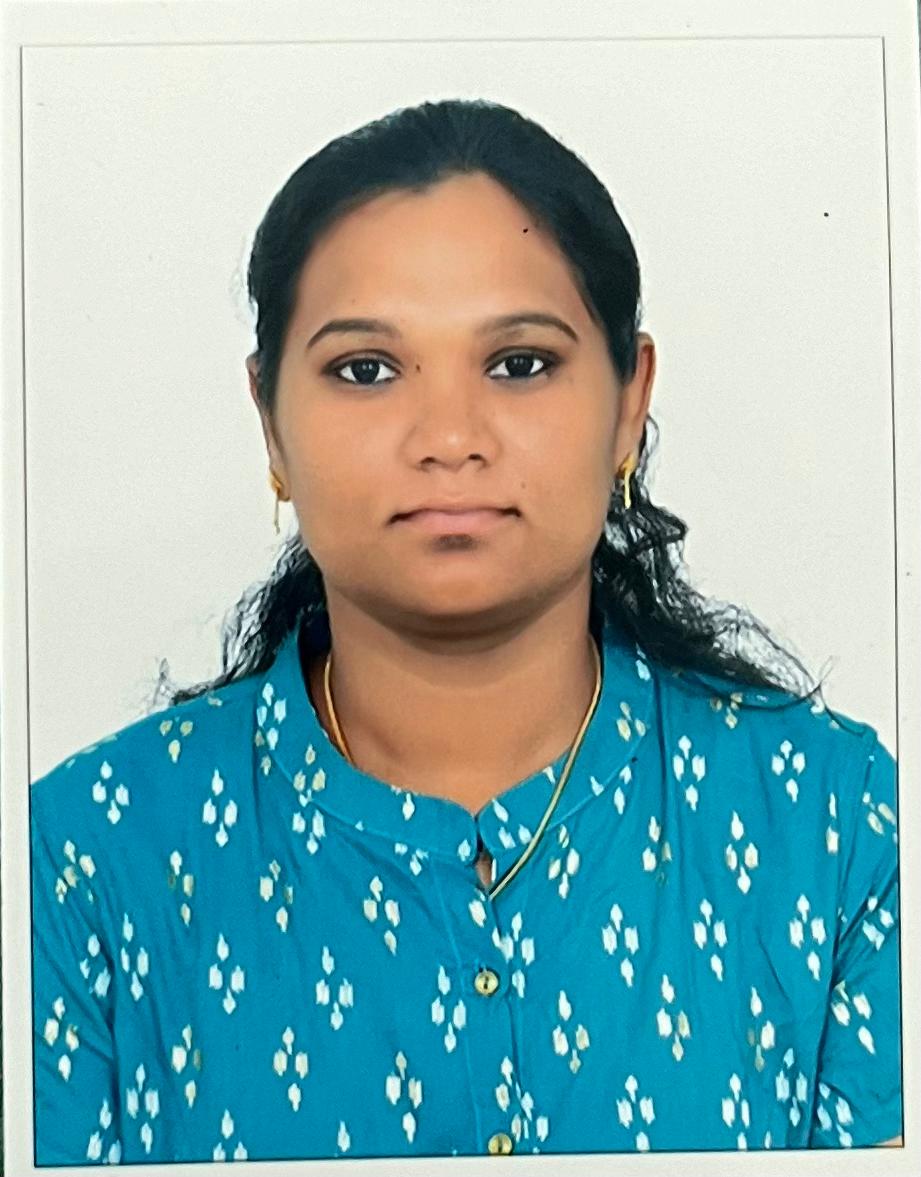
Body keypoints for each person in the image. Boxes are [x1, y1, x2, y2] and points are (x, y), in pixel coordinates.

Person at [30, 98, 902, 1165]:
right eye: (366, 369)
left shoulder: (841, 827)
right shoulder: (77, 859)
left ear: (629, 404)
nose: (449, 438)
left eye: (519, 363)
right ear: (270, 422)